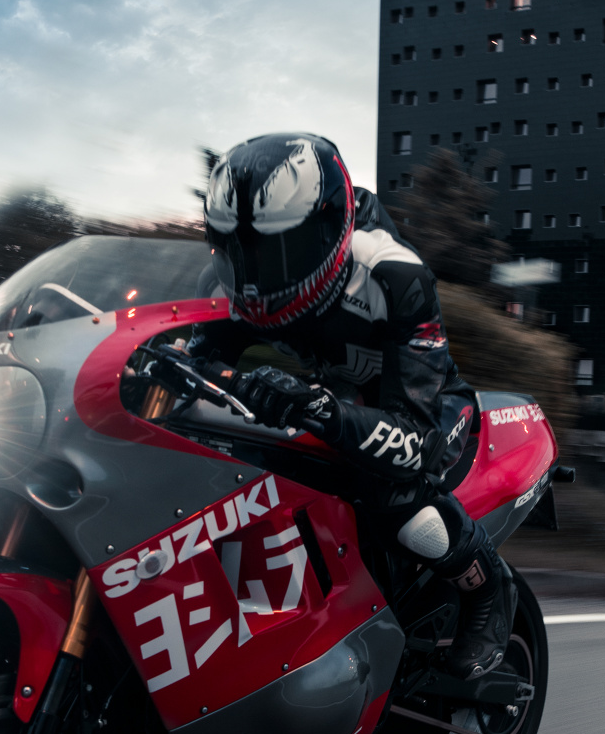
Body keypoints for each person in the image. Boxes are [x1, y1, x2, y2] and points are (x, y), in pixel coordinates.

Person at [178, 132, 515, 680]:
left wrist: (319, 407)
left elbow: (414, 438)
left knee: (397, 497)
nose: (256, 276)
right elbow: (191, 365)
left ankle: (488, 587)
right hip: (333, 393)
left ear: (328, 230)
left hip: (426, 407)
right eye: (240, 250)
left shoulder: (393, 275)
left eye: (278, 252)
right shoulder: (225, 283)